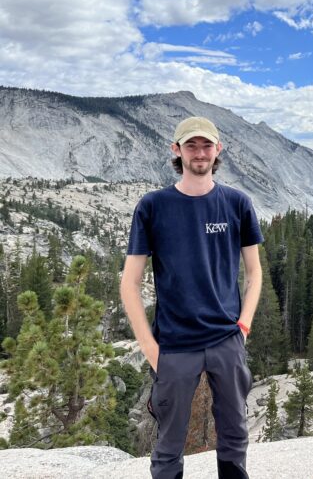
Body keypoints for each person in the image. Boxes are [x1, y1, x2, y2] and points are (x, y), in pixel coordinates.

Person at [120, 116, 264, 479]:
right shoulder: (153, 206)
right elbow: (130, 284)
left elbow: (255, 274)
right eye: (190, 145)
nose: (199, 153)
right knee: (168, 442)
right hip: (175, 345)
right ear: (176, 150)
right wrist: (151, 350)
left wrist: (242, 327)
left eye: (206, 145)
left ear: (218, 150)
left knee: (234, 434)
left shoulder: (237, 203)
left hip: (226, 340)